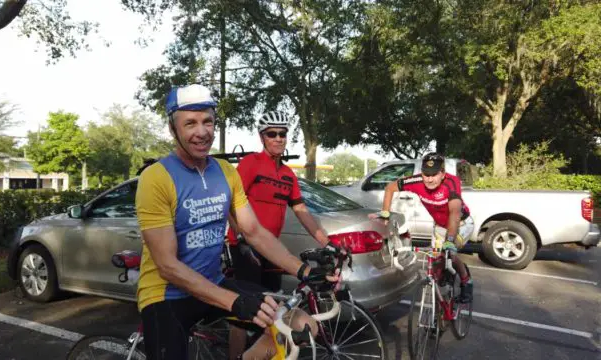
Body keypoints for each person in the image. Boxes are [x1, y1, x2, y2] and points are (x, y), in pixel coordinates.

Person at [135, 84, 337, 360]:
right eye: (190, 123)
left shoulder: (226, 172)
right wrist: (235, 302)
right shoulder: (156, 178)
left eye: (208, 121)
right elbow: (168, 266)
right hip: (166, 295)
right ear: (173, 129)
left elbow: (253, 231)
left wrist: (303, 271)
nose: (202, 132)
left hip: (213, 283)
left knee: (301, 324)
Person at [226, 110, 339, 359]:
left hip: (272, 249)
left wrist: (328, 243)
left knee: (274, 312)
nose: (278, 138)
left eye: (282, 134)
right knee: (245, 311)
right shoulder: (251, 163)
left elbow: (301, 209)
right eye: (272, 134)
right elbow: (229, 202)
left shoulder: (287, 174)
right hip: (246, 248)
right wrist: (241, 238)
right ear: (262, 137)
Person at [371, 152, 474, 303]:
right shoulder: (416, 181)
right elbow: (389, 188)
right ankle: (440, 305)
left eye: (434, 174)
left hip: (461, 223)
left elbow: (454, 213)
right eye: (426, 174)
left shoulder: (452, 182)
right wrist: (385, 214)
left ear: (443, 174)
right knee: (437, 261)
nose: (430, 179)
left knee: (449, 254)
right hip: (440, 226)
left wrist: (450, 240)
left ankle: (466, 281)